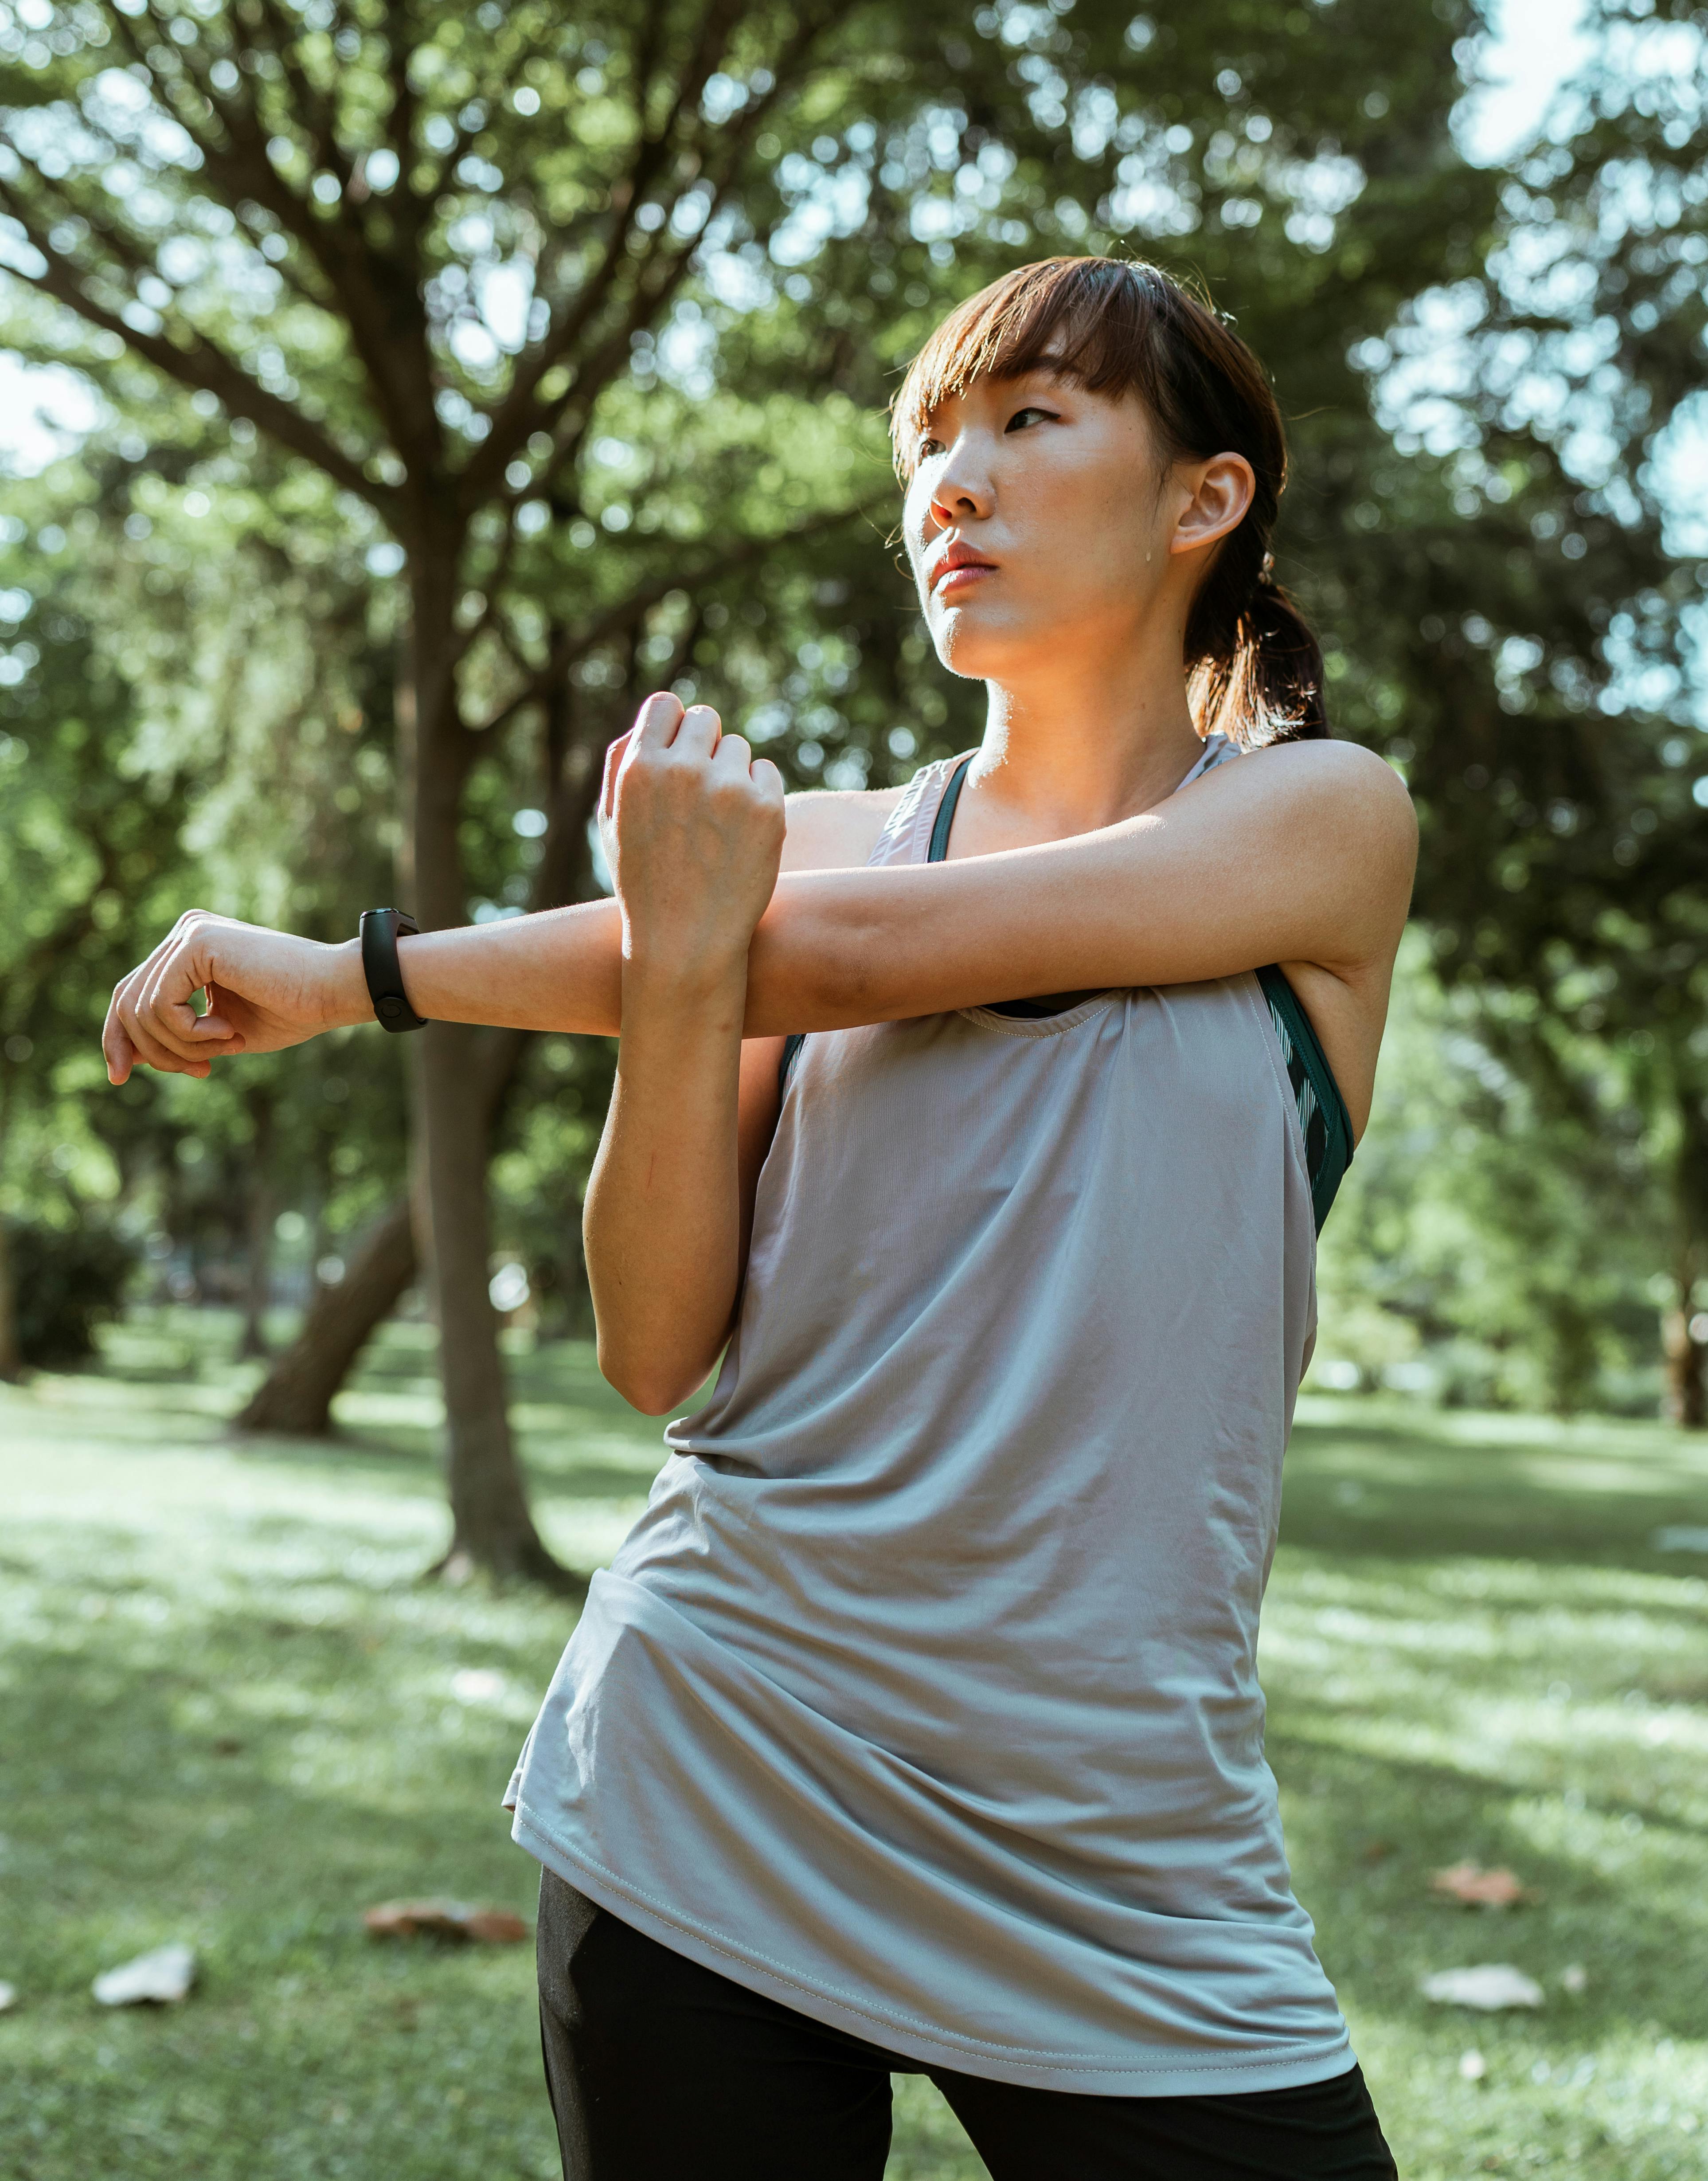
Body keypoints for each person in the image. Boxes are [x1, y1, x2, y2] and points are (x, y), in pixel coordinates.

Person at [104, 257, 1416, 2179]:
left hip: (1121, 1842)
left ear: (1202, 499)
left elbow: (867, 950)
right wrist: (679, 977)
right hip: (713, 1754)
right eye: (928, 442)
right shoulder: (776, 857)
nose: (948, 484)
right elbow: (652, 1349)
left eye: (1028, 421)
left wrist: (353, 973)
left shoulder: (1317, 820)